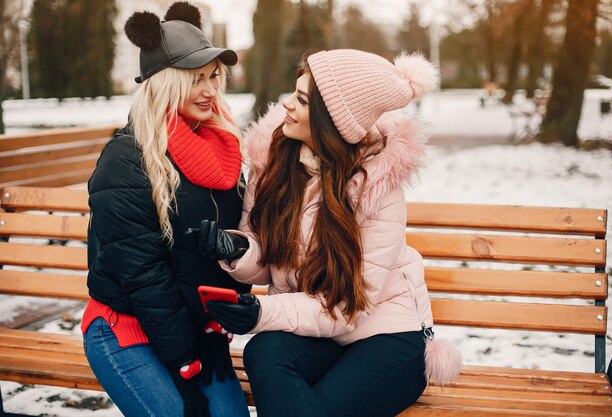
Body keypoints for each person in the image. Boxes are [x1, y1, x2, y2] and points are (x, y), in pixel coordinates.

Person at [200, 49, 462, 417]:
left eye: (302, 100)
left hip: (384, 336)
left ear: (333, 120)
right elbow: (265, 257)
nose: (286, 105)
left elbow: (343, 308)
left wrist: (262, 312)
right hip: (313, 335)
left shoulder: (377, 186)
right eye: (294, 92)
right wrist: (238, 249)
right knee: (264, 351)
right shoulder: (272, 160)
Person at [81, 2, 250, 416]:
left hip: (196, 330)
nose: (211, 91)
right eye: (196, 80)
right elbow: (143, 276)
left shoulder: (221, 148)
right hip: (127, 327)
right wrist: (184, 364)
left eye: (214, 77)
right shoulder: (127, 160)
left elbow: (236, 240)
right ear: (164, 84)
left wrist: (233, 277)